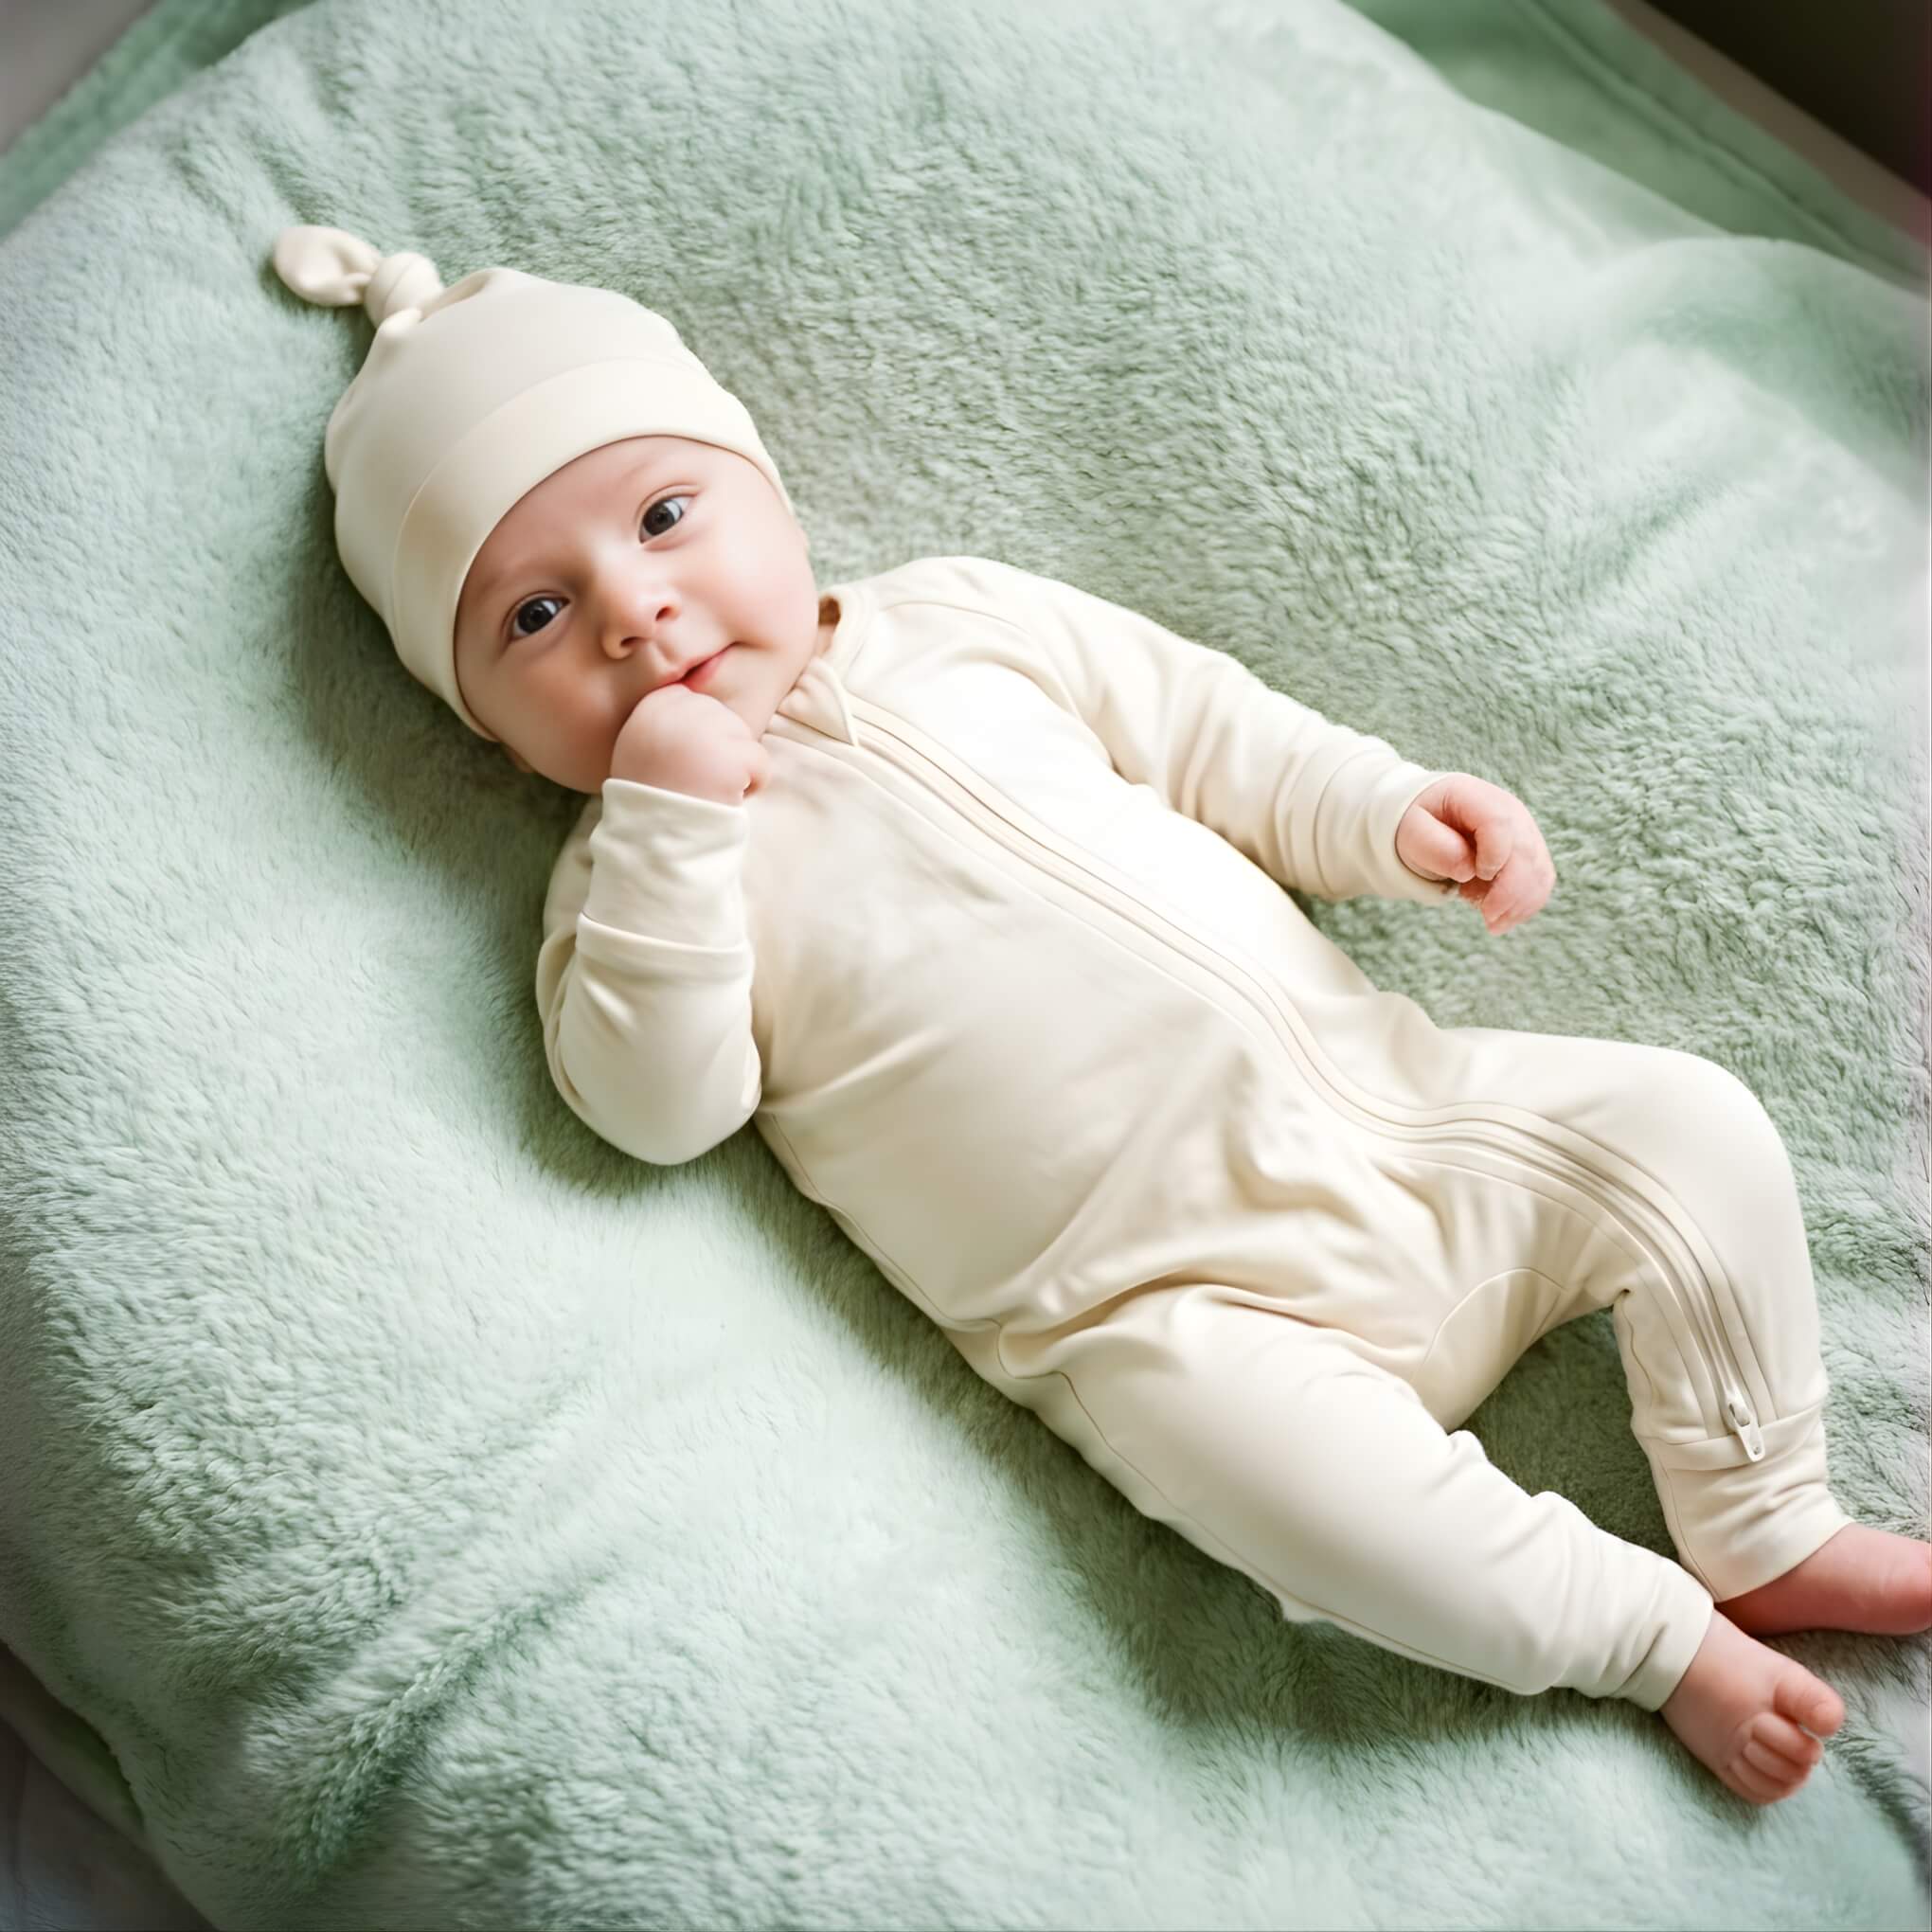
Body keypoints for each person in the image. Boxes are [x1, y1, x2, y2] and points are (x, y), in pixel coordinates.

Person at [274, 224, 1932, 1808]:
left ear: (766, 487)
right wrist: (669, 824)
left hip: (1424, 1125)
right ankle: (1651, 1639)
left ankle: (1765, 1515)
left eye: (663, 516)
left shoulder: (962, 618)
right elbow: (654, 1104)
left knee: (1687, 1127)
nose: (633, 612)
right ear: (486, 730)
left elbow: (1210, 730)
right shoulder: (628, 895)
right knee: (1313, 1510)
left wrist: (1383, 812)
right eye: (535, 620)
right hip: (1169, 1318)